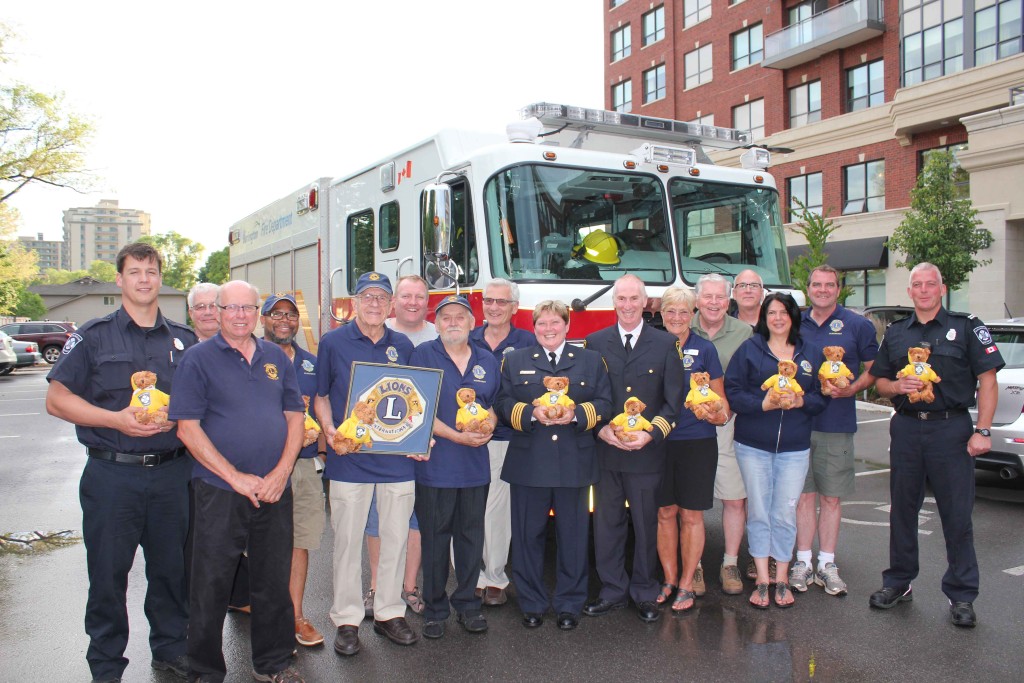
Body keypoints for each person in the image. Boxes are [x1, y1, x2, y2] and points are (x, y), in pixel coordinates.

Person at [45, 242, 195, 683]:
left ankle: (171, 648)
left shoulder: (183, 340)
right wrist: (115, 420)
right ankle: (106, 665)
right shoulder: (93, 335)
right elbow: (57, 399)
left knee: (171, 571)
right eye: (135, 272)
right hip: (113, 475)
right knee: (108, 575)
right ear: (120, 279)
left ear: (160, 277)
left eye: (151, 271)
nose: (144, 279)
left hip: (172, 473)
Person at [170, 280, 305, 683]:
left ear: (257, 313)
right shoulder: (197, 360)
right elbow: (187, 430)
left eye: (249, 307)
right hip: (220, 490)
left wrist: (280, 473)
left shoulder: (275, 358)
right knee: (210, 584)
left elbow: (295, 417)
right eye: (232, 308)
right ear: (218, 311)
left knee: (271, 581)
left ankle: (274, 664)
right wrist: (237, 478)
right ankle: (206, 671)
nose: (241, 315)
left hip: (274, 491)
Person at [867, 263, 1002, 628]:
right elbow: (880, 381)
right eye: (917, 284)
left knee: (957, 516)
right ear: (909, 291)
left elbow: (988, 382)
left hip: (951, 430)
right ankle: (898, 582)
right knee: (902, 510)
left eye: (931, 284)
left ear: (942, 289)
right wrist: (896, 388)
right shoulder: (896, 333)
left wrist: (983, 431)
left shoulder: (967, 327)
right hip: (908, 429)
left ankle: (961, 594)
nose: (924, 290)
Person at [314, 272, 418, 656]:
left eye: (381, 297)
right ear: (354, 302)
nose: (374, 303)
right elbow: (320, 395)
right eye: (367, 296)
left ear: (391, 305)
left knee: (395, 538)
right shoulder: (333, 342)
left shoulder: (403, 344)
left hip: (397, 462)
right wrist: (329, 430)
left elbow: (415, 400)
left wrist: (419, 439)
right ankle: (346, 618)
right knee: (346, 542)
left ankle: (390, 611)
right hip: (350, 462)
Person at [496, 300, 611, 630]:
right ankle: (531, 601)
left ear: (567, 325)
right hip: (529, 463)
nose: (549, 329)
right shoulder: (515, 361)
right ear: (534, 327)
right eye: (542, 323)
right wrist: (531, 414)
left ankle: (569, 603)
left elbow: (604, 401)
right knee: (527, 536)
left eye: (555, 323)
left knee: (573, 537)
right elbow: (503, 402)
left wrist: (576, 415)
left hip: (574, 462)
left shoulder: (590, 361)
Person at [584, 275, 684, 624]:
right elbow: (586, 396)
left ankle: (644, 590)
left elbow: (674, 402)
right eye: (621, 299)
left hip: (646, 452)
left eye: (633, 299)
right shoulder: (595, 342)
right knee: (607, 524)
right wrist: (599, 430)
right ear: (614, 303)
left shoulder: (665, 344)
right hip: (607, 452)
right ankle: (611, 589)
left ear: (645, 303)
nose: (627, 305)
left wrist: (652, 435)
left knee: (645, 525)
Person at [725, 292, 826, 609]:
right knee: (758, 511)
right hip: (752, 446)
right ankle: (762, 582)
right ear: (764, 318)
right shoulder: (750, 350)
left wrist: (802, 401)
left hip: (794, 448)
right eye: (772, 313)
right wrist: (763, 404)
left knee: (784, 513)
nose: (778, 318)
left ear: (794, 317)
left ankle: (782, 579)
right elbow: (734, 393)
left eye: (784, 312)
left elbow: (822, 397)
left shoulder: (809, 353)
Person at [410, 295, 500, 638]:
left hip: (475, 466)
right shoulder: (423, 355)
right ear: (436, 323)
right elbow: (417, 407)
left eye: (460, 317)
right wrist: (456, 437)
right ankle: (435, 609)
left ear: (472, 323)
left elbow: (493, 404)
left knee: (470, 538)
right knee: (434, 538)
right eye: (445, 317)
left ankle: (467, 604)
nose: (452, 322)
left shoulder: (486, 359)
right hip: (436, 466)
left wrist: (488, 425)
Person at [791, 265, 878, 596]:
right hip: (798, 423)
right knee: (803, 497)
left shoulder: (857, 325)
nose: (823, 290)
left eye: (829, 285)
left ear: (838, 290)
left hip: (835, 424)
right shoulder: (795, 322)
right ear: (808, 288)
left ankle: (827, 563)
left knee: (830, 497)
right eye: (817, 284)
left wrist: (852, 388)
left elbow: (874, 369)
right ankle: (802, 561)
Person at [362, 274, 436, 618]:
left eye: (419, 296)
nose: (412, 302)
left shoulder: (436, 335)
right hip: (379, 445)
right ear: (395, 301)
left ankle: (409, 587)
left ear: (427, 301)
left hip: (421, 443)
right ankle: (377, 586)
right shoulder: (380, 330)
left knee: (415, 519)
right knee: (377, 519)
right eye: (405, 295)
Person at [656, 285, 730, 613]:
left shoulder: (706, 350)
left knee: (691, 514)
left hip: (697, 442)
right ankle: (669, 579)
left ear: (693, 314)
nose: (676, 317)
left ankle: (687, 582)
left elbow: (721, 402)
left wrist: (718, 413)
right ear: (661, 314)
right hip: (659, 442)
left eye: (683, 312)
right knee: (664, 512)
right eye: (670, 311)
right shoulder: (653, 345)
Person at [261, 294, 328, 647]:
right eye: (276, 314)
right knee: (259, 545)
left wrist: (324, 442)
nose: (284, 320)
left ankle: (295, 616)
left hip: (301, 466)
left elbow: (321, 407)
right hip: (260, 466)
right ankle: (266, 618)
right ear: (263, 319)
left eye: (290, 314)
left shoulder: (310, 364)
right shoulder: (249, 356)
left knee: (299, 541)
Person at [469, 278, 535, 606]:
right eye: (488, 301)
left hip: (505, 437)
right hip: (463, 438)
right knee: (466, 508)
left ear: (514, 308)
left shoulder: (528, 342)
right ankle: (470, 576)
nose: (493, 307)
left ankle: (495, 576)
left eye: (501, 302)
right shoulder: (467, 339)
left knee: (496, 509)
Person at [691, 273, 753, 595]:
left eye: (720, 297)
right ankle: (696, 566)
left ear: (728, 301)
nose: (714, 303)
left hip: (728, 426)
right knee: (694, 501)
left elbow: (752, 379)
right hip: (690, 426)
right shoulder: (682, 329)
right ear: (697, 299)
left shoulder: (745, 333)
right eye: (708, 297)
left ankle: (730, 563)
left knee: (734, 497)